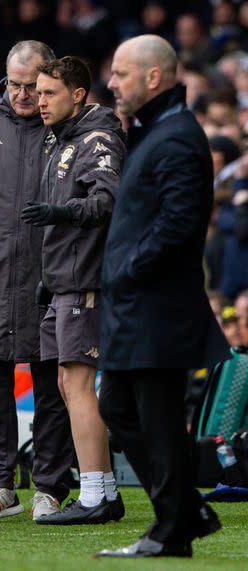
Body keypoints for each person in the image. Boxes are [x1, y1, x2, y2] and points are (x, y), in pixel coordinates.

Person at [97, 35, 229, 558]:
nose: (111, 84)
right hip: (139, 306)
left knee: (157, 416)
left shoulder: (175, 137)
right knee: (120, 405)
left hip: (156, 308)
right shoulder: (157, 131)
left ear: (154, 78)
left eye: (121, 74)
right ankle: (184, 511)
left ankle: (172, 528)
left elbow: (179, 223)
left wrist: (128, 269)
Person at [0, 40, 73, 520]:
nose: (24, 95)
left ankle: (50, 486)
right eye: (15, 85)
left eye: (33, 86)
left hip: (51, 274)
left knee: (53, 386)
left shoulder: (67, 129)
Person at [21, 56, 126, 524]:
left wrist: (59, 213)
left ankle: (96, 495)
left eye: (48, 93)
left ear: (78, 94)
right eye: (38, 93)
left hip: (85, 280)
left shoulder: (97, 138)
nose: (38, 102)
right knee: (68, 383)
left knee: (80, 385)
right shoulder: (61, 139)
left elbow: (107, 201)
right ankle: (101, 490)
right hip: (63, 280)